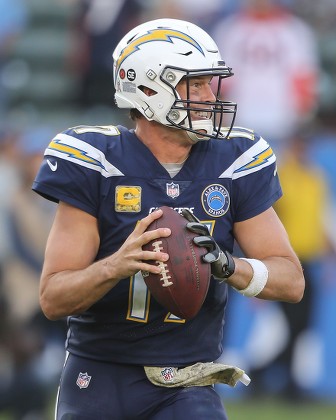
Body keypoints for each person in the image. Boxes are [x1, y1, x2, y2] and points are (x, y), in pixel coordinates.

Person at [32, 18, 305, 419]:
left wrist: (231, 267)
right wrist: (114, 267)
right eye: (194, 84)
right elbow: (53, 298)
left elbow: (291, 280)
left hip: (188, 382)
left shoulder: (236, 160)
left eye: (210, 83)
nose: (209, 96)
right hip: (99, 376)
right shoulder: (95, 160)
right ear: (147, 89)